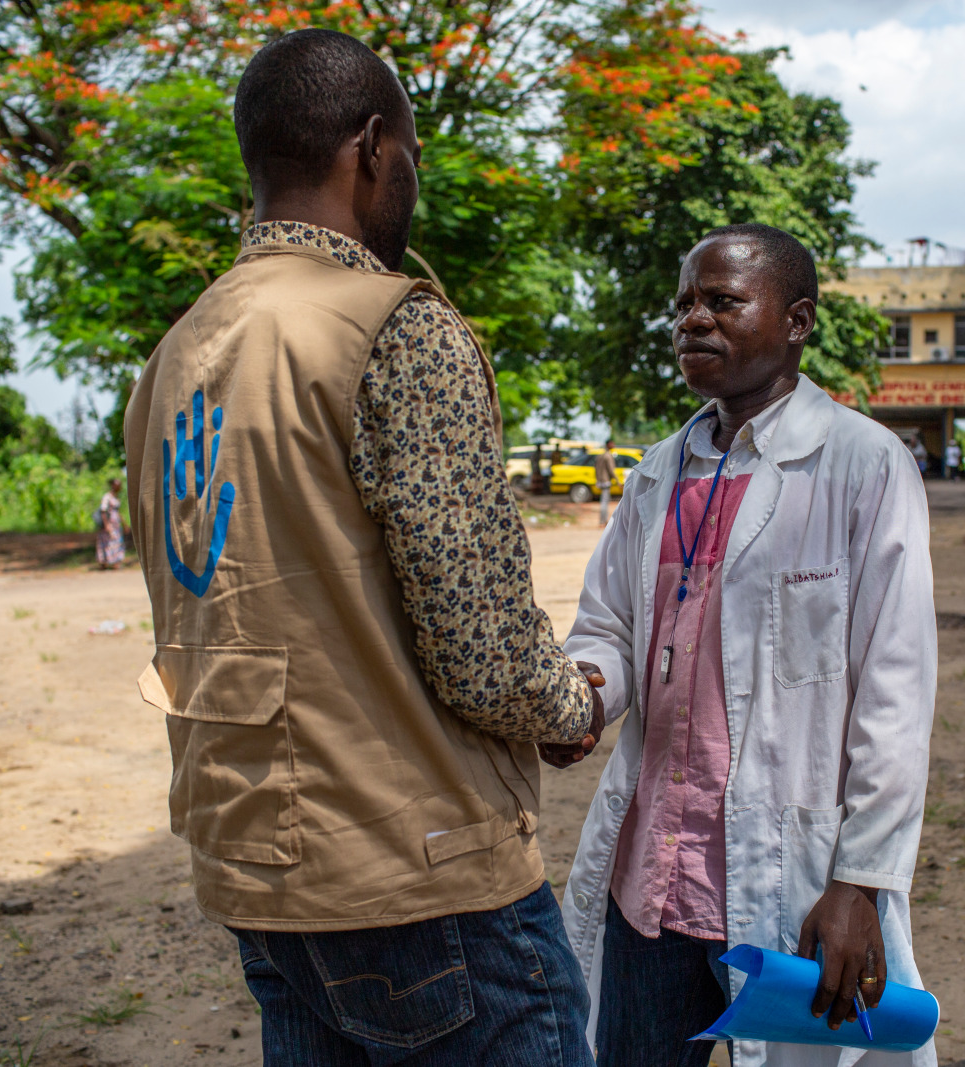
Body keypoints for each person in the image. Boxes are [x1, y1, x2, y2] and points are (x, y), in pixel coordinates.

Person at [123, 30, 600, 1066]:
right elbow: (484, 652)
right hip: (418, 871)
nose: (410, 181)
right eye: (412, 157)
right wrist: (573, 704)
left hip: (260, 869)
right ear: (374, 148)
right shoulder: (388, 325)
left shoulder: (177, 352)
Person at [550, 224, 938, 1067]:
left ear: (796, 320)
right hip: (651, 883)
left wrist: (862, 880)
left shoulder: (862, 466)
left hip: (788, 883)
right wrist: (584, 690)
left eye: (722, 302)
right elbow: (611, 627)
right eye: (684, 304)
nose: (693, 320)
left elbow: (896, 692)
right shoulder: (658, 472)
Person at [96, 478, 125, 570]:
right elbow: (103, 511)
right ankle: (104, 563)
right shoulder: (107, 497)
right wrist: (106, 525)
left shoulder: (115, 497)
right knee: (107, 543)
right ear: (113, 485)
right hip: (109, 524)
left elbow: (117, 512)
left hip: (116, 525)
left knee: (116, 542)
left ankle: (115, 562)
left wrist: (124, 524)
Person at [595, 439, 618, 527]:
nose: (614, 445)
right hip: (605, 481)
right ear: (608, 444)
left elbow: (596, 468)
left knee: (604, 501)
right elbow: (611, 470)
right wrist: (617, 481)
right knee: (604, 501)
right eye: (612, 443)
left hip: (600, 480)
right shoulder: (608, 456)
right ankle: (602, 521)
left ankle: (603, 520)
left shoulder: (600, 455)